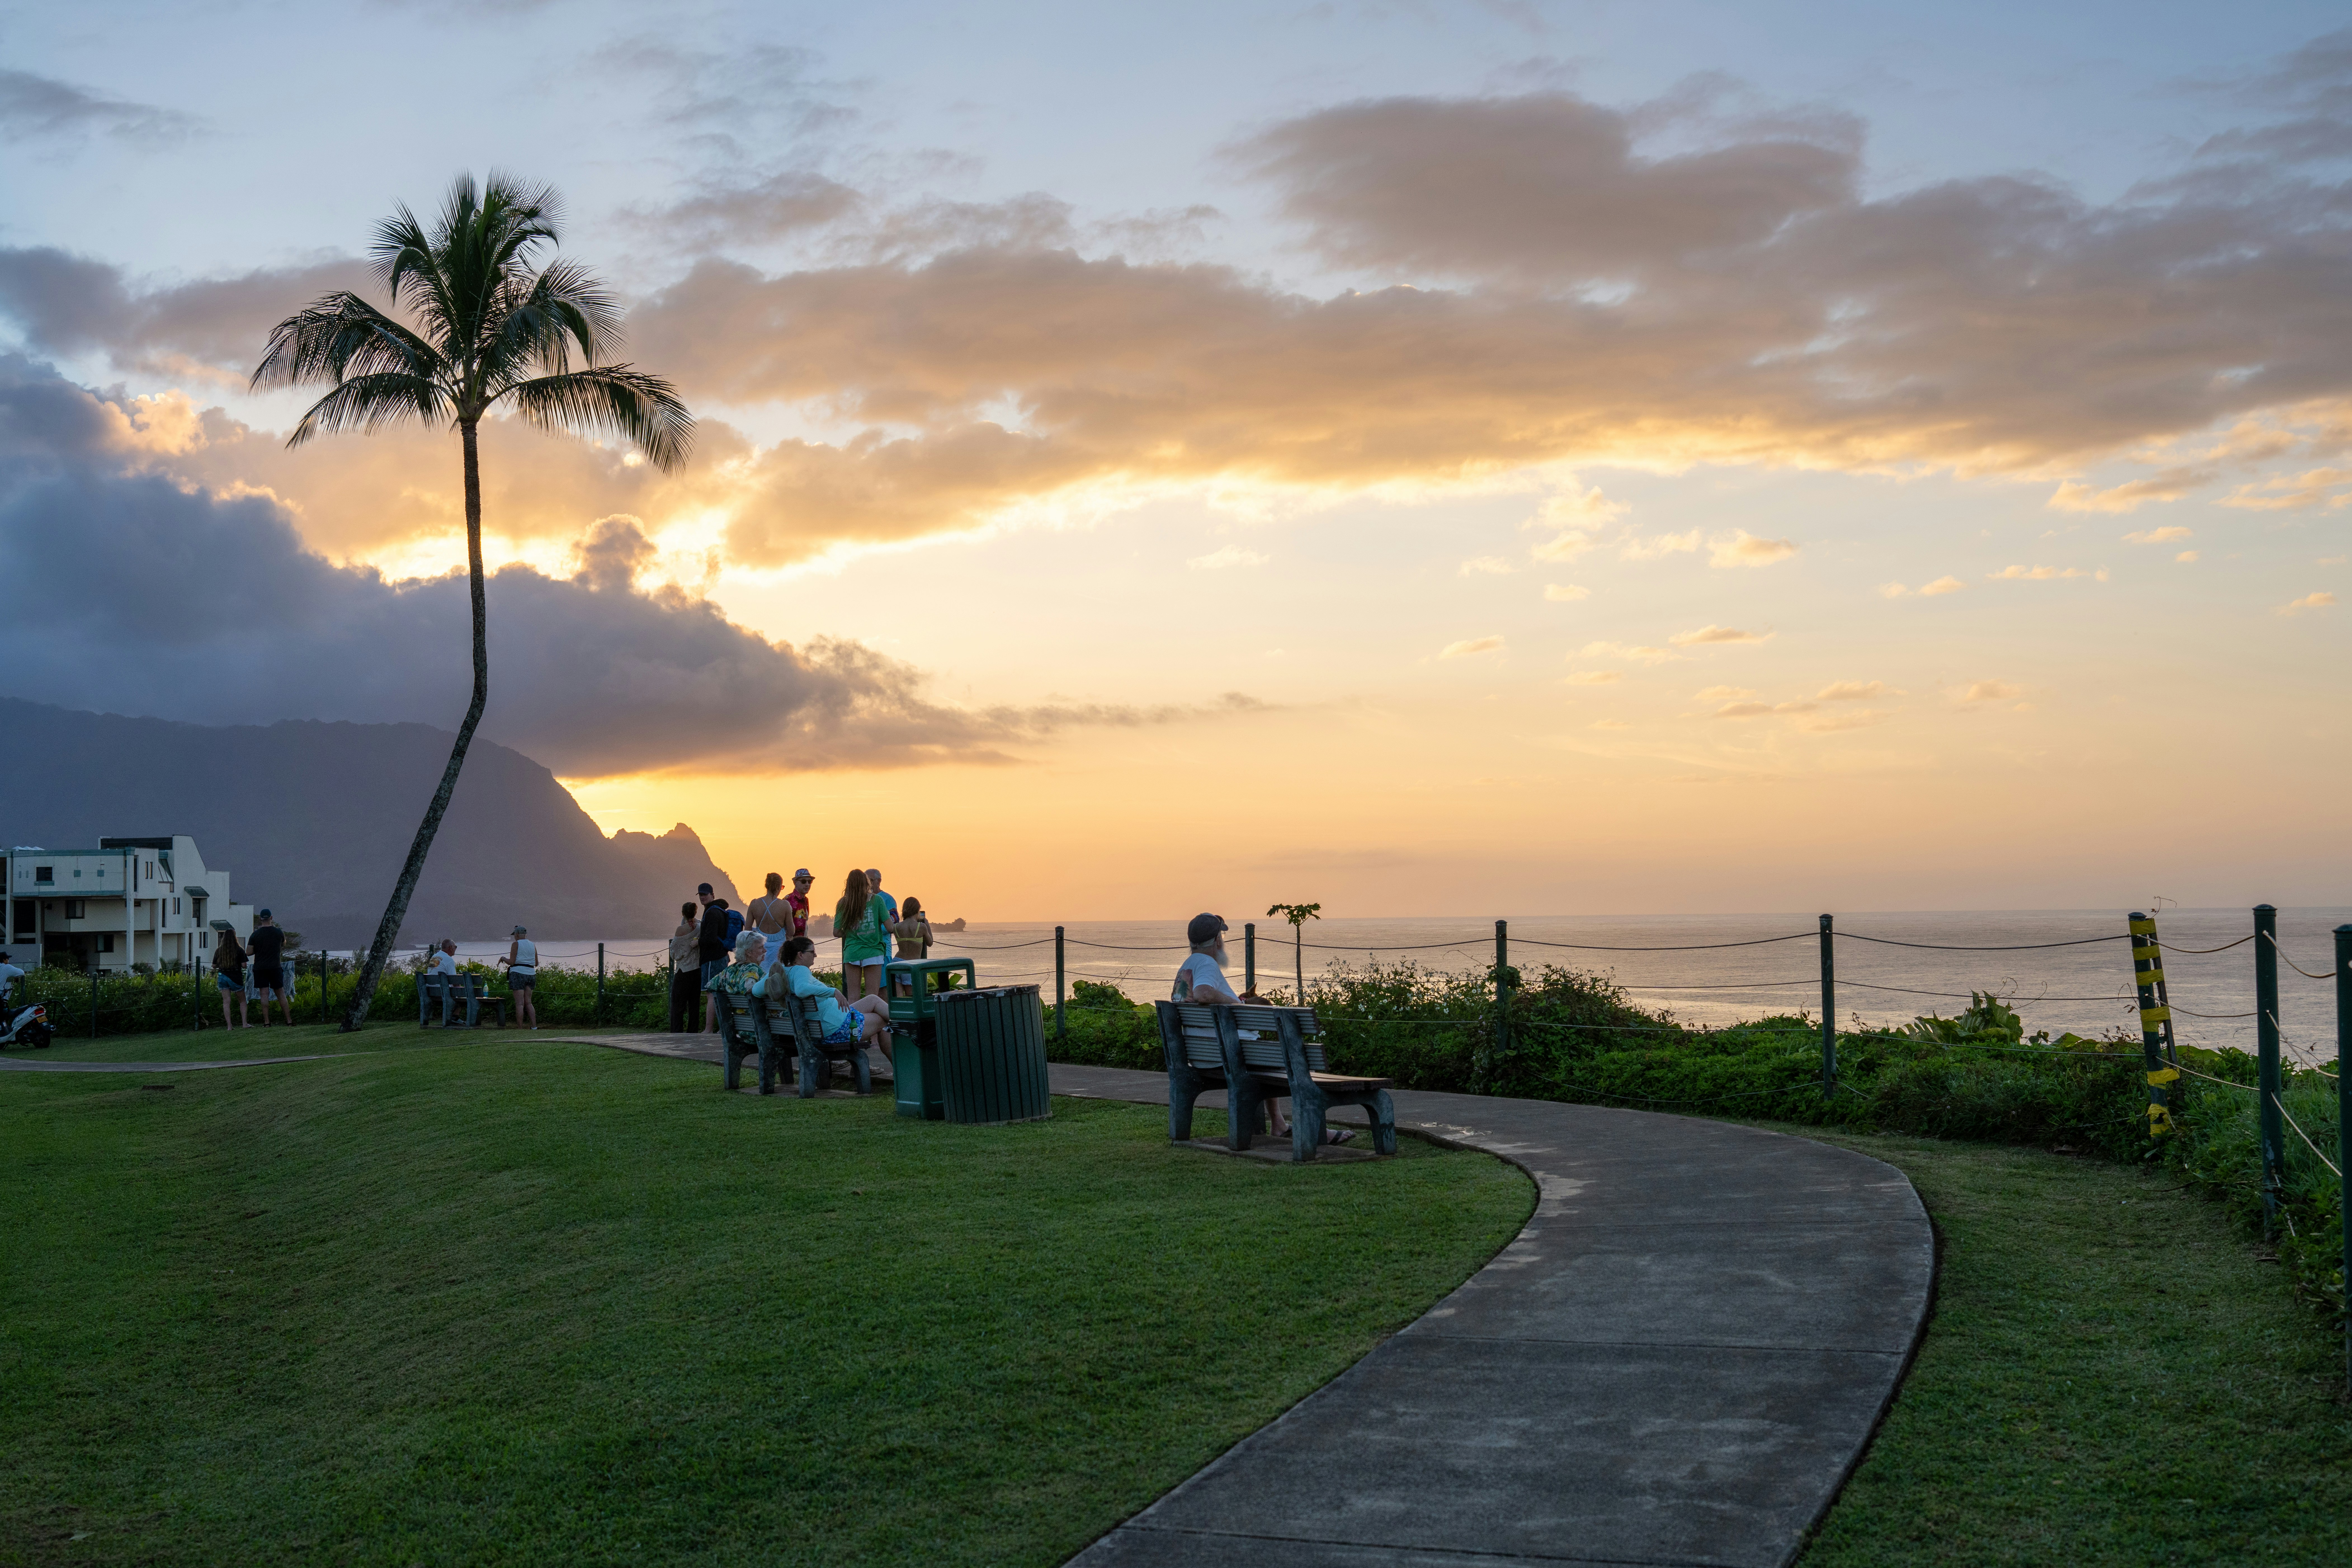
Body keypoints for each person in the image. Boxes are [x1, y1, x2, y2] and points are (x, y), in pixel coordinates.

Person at [1174, 912, 1350, 1146]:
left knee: (1277, 1056)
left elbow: (1200, 998)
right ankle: (1317, 1131)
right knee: (1295, 1058)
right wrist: (1240, 1004)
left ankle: (1278, 1124)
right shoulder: (1207, 963)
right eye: (1222, 936)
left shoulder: (1187, 967)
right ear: (1217, 940)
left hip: (1202, 1054)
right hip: (1228, 1055)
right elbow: (1203, 993)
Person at [772, 934, 891, 1065]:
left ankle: (907, 1023)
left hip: (827, 1021)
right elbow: (802, 990)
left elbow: (755, 990)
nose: (816, 956)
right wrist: (833, 991)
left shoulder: (781, 972)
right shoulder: (801, 970)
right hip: (834, 1029)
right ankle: (901, 1068)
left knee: (873, 999)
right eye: (812, 952)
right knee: (882, 1022)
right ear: (801, 955)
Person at [834, 869, 889, 1001]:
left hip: (852, 952)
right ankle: (870, 1021)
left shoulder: (843, 903)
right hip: (873, 951)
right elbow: (890, 927)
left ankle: (854, 1021)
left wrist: (850, 932)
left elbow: (836, 932)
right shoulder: (877, 900)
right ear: (867, 883)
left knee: (853, 996)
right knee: (872, 997)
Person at [247, 909, 293, 1027]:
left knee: (264, 995)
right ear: (271, 918)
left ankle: (267, 1022)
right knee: (281, 994)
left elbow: (248, 952)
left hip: (260, 968)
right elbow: (283, 944)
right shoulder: (279, 932)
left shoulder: (255, 934)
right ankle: (289, 1021)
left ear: (260, 919)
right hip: (275, 967)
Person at [697, 885, 731, 1032]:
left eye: (705, 895)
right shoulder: (720, 911)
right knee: (720, 993)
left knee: (711, 993)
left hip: (712, 958)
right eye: (701, 895)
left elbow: (710, 938)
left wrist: (697, 942)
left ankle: (708, 1029)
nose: (702, 897)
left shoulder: (711, 913)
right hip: (722, 956)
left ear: (712, 895)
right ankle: (723, 1028)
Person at [888, 896, 935, 996]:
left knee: (899, 1001)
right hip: (911, 965)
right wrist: (927, 924)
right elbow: (930, 943)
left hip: (896, 964)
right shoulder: (921, 927)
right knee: (914, 999)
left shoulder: (896, 927)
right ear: (918, 910)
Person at [747, 874, 792, 974]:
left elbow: (747, 930)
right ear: (779, 887)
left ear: (766, 886)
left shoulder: (754, 904)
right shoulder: (785, 905)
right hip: (780, 948)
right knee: (779, 977)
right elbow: (791, 931)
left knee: (762, 976)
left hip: (761, 947)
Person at [667, 901, 701, 1032]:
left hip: (684, 971)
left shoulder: (680, 930)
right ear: (695, 913)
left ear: (683, 914)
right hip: (697, 970)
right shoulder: (700, 927)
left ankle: (677, 1033)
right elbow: (697, 923)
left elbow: (675, 953)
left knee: (678, 1004)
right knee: (694, 1004)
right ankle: (693, 1032)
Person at [502, 924, 538, 1030]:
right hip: (531, 974)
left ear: (517, 934)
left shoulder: (516, 944)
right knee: (529, 1002)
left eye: (515, 935)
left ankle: (520, 1028)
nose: (515, 937)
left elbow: (512, 962)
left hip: (518, 974)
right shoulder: (533, 945)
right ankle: (534, 1026)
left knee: (520, 1004)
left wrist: (503, 958)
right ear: (526, 935)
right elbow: (536, 963)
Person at [213, 929, 248, 1029]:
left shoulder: (219, 950)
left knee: (226, 1002)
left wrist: (223, 964)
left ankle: (229, 1026)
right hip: (235, 977)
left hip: (223, 976)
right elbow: (244, 965)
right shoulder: (239, 950)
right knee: (242, 1001)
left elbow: (214, 966)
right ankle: (245, 1024)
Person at [867, 868, 899, 966]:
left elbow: (894, 925)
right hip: (866, 950)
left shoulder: (888, 899)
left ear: (879, 881)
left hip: (883, 949)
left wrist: (871, 929)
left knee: (883, 981)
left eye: (871, 880)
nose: (868, 883)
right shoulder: (863, 899)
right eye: (866, 881)